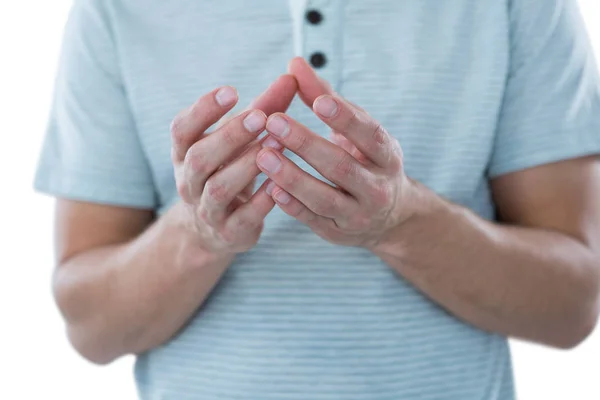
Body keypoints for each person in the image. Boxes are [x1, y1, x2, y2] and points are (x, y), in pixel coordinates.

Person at [35, 0, 600, 399]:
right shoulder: (114, 9)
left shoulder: (520, 6)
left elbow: (571, 307)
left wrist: (399, 222)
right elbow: (91, 328)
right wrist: (198, 234)